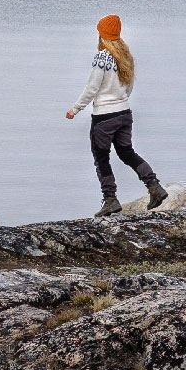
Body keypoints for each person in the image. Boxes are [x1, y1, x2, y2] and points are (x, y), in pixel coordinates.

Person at [65, 13, 168, 217]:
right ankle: (155, 187)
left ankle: (110, 199)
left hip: (104, 117)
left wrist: (76, 108)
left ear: (102, 35)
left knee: (101, 157)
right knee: (127, 152)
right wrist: (121, 99)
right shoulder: (126, 57)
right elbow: (128, 87)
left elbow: (92, 87)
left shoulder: (102, 57)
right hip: (124, 113)